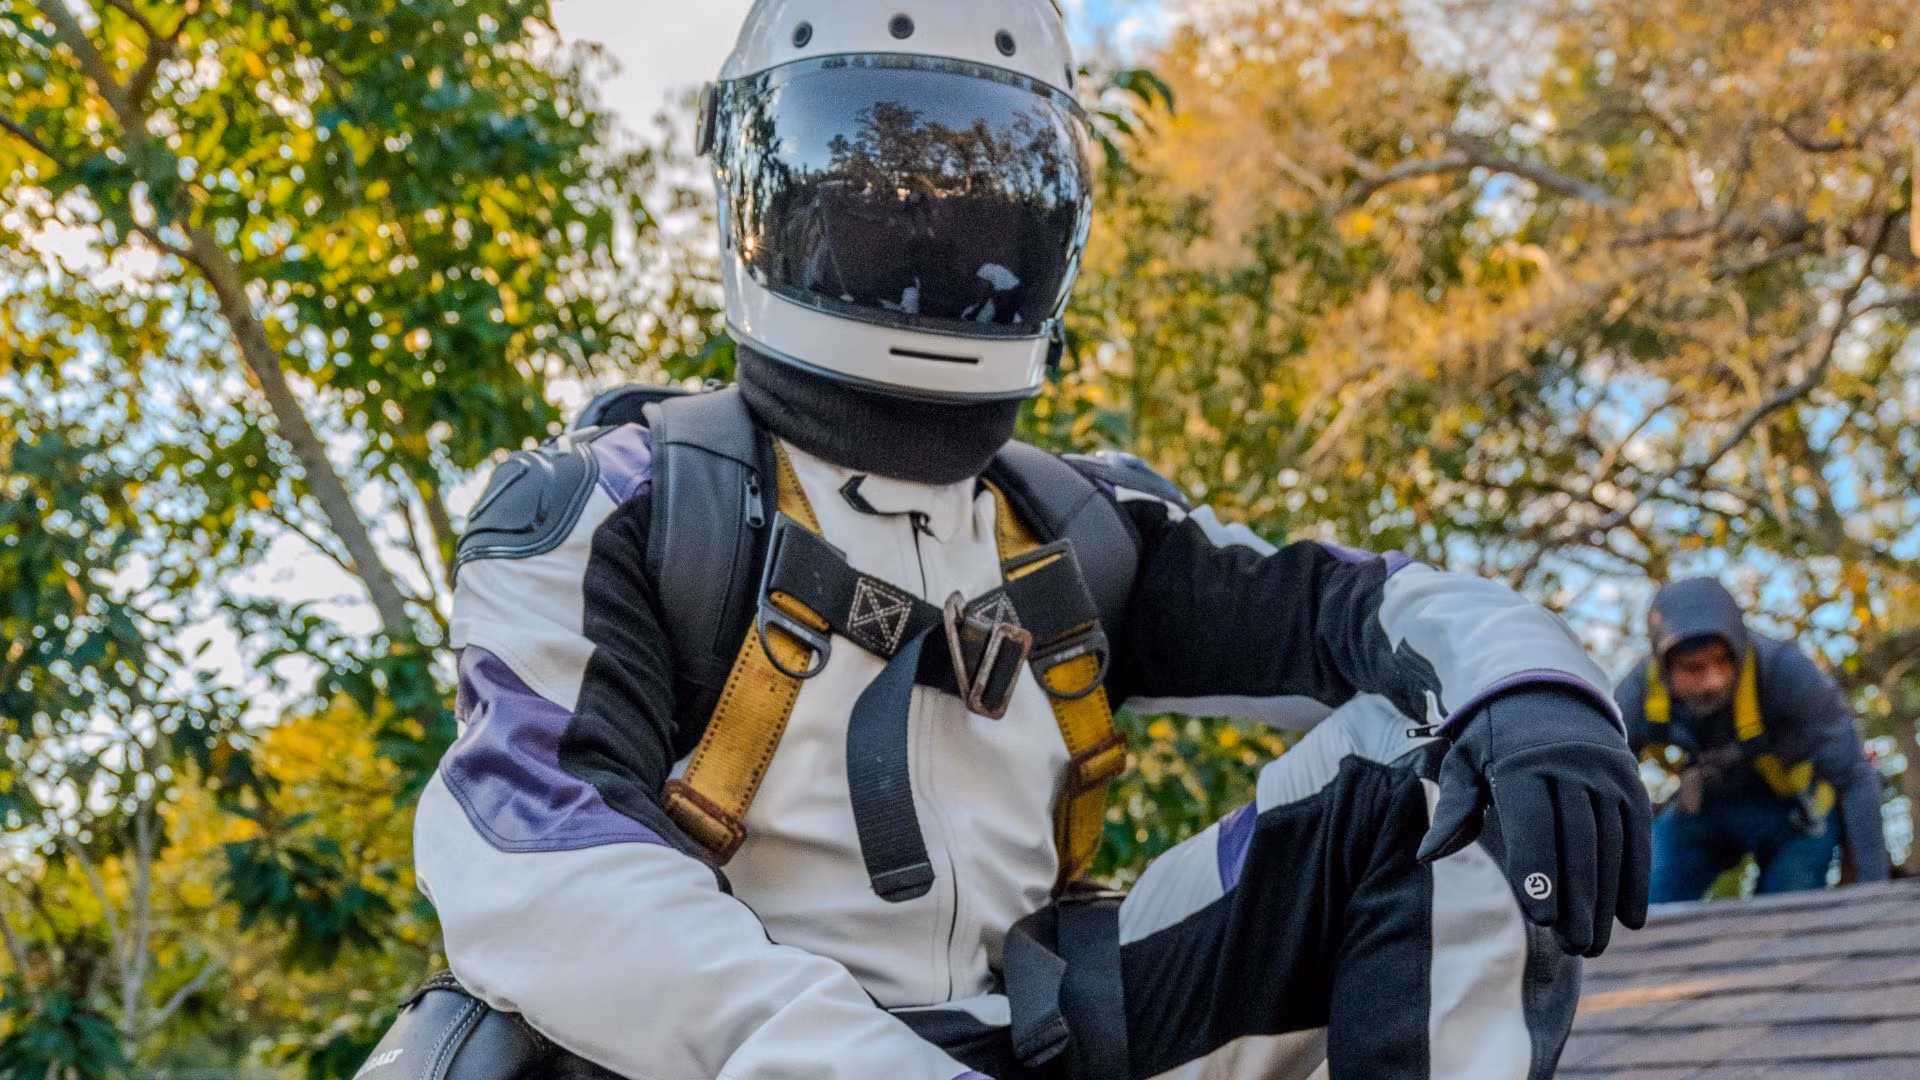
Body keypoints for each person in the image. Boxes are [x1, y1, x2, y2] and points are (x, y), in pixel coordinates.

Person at [369, 3, 1651, 1077]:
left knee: (1462, 760)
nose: (928, 233)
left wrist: (1538, 692)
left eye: (982, 193)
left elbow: (1370, 603)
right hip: (743, 1056)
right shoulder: (616, 505)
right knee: (466, 1041)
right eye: (869, 193)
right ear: (770, 201)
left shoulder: (1076, 527)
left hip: (1048, 1030)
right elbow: (540, 861)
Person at [1616, 578, 1890, 903]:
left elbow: (1856, 775)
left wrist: (1875, 891)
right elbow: (1597, 780)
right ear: (1664, 666)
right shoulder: (1636, 696)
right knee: (1652, 897)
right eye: (1693, 668)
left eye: (1722, 661)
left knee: (1789, 911)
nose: (1712, 681)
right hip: (1706, 807)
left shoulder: (1787, 671)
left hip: (1794, 810)